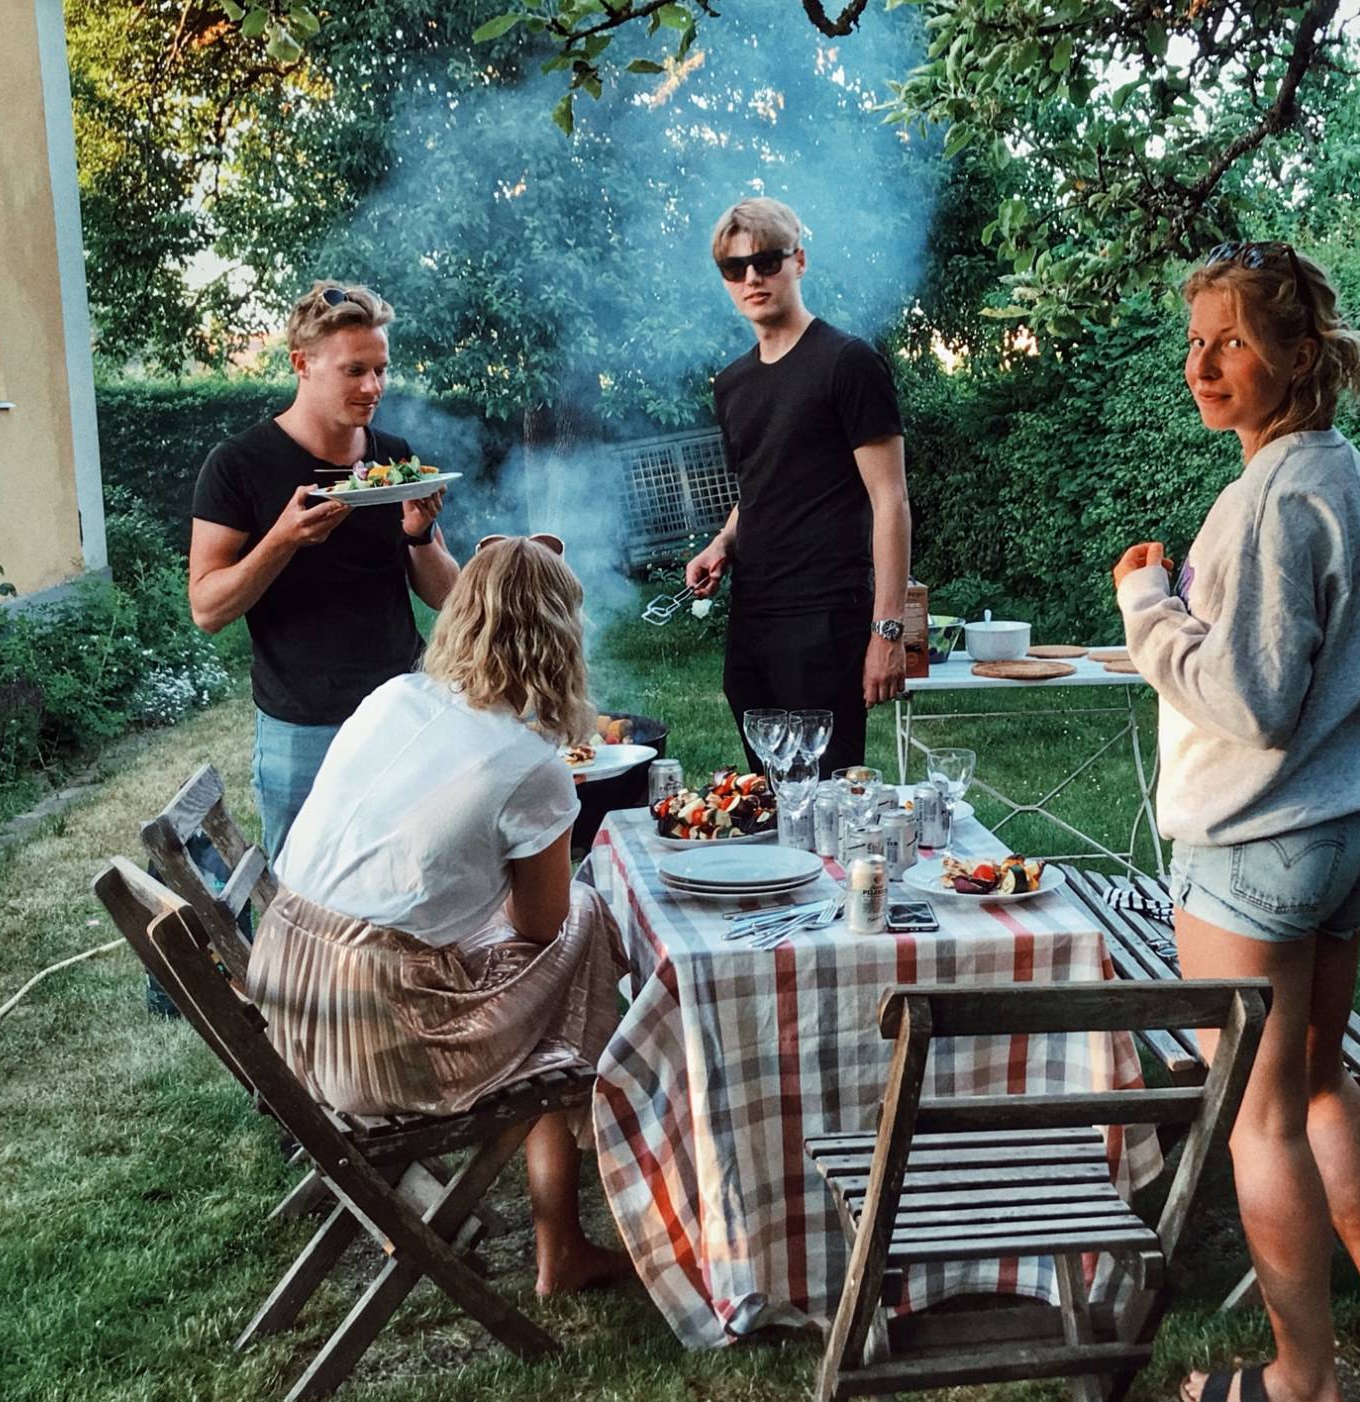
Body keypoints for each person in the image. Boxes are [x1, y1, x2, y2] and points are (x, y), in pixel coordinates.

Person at [1112, 242, 1360, 1402]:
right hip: (1351, 833)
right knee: (1317, 1087)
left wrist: (1147, 610)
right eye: (1194, 341)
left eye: (1231, 341)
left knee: (1256, 1117)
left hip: (1258, 847)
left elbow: (1248, 700)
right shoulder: (1348, 481)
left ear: (1301, 357)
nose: (1201, 364)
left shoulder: (1264, 502)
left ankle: (1304, 1385)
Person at [245, 536, 630, 1297]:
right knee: (586, 925)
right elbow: (542, 928)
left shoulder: (393, 696)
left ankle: (566, 1229)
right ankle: (577, 1214)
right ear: (561, 637)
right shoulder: (533, 766)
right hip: (373, 1038)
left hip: (284, 1000)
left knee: (549, 958)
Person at [188, 281, 460, 858]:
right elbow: (207, 608)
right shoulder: (239, 465)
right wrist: (282, 540)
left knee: (407, 878)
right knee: (299, 897)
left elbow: (446, 595)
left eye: (381, 370)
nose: (373, 387)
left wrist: (417, 535)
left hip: (400, 711)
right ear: (302, 364)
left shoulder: (392, 456)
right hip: (301, 726)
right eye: (354, 370)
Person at [684, 197, 911, 774]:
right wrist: (721, 544)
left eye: (766, 261)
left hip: (827, 621)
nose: (752, 278)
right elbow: (759, 488)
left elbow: (891, 501)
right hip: (751, 621)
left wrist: (888, 631)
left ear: (799, 261)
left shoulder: (848, 363)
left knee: (827, 804)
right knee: (764, 802)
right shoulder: (732, 384)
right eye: (735, 269)